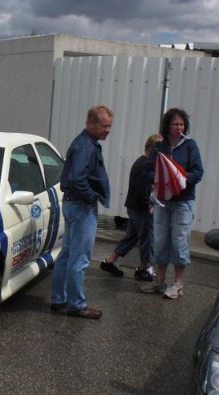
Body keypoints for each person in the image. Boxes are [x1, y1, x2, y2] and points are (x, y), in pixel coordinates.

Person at [50, 104, 113, 319]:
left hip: (72, 204)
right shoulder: (86, 146)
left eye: (109, 126)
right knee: (80, 258)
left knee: (67, 254)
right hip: (80, 206)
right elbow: (77, 179)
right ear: (90, 124)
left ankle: (59, 299)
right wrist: (91, 197)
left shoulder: (85, 143)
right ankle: (76, 304)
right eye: (104, 126)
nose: (108, 130)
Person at [140, 108, 204, 299]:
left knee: (179, 240)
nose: (179, 127)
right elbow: (148, 169)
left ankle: (178, 283)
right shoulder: (160, 147)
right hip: (162, 201)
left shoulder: (190, 146)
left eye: (182, 124)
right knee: (160, 239)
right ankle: (159, 282)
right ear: (167, 126)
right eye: (175, 124)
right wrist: (159, 180)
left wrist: (182, 180)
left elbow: (198, 172)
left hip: (183, 201)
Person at [99, 133, 163, 281]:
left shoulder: (140, 162)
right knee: (148, 238)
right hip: (141, 208)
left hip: (133, 206)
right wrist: (149, 205)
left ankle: (110, 259)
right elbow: (142, 188)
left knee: (132, 236)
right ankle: (144, 268)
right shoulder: (146, 165)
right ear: (154, 150)